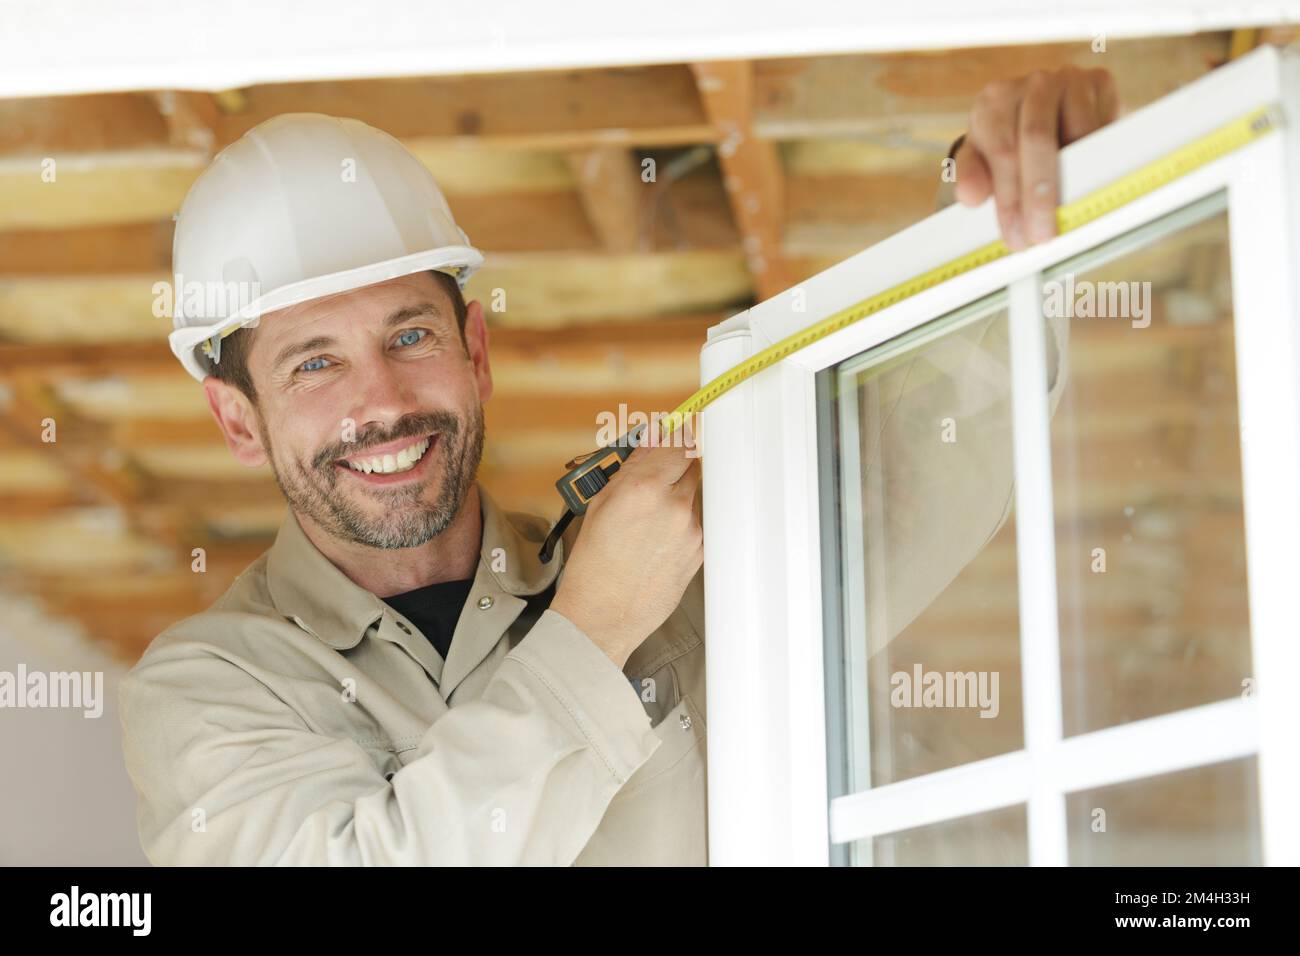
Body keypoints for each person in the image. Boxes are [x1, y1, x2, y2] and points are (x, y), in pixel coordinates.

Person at [119, 67, 1117, 865]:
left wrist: (1012, 220)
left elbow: (916, 472)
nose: (378, 399)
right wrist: (594, 629)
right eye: (316, 362)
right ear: (237, 419)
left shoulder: (662, 568)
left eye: (409, 332)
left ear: (476, 351)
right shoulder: (215, 687)